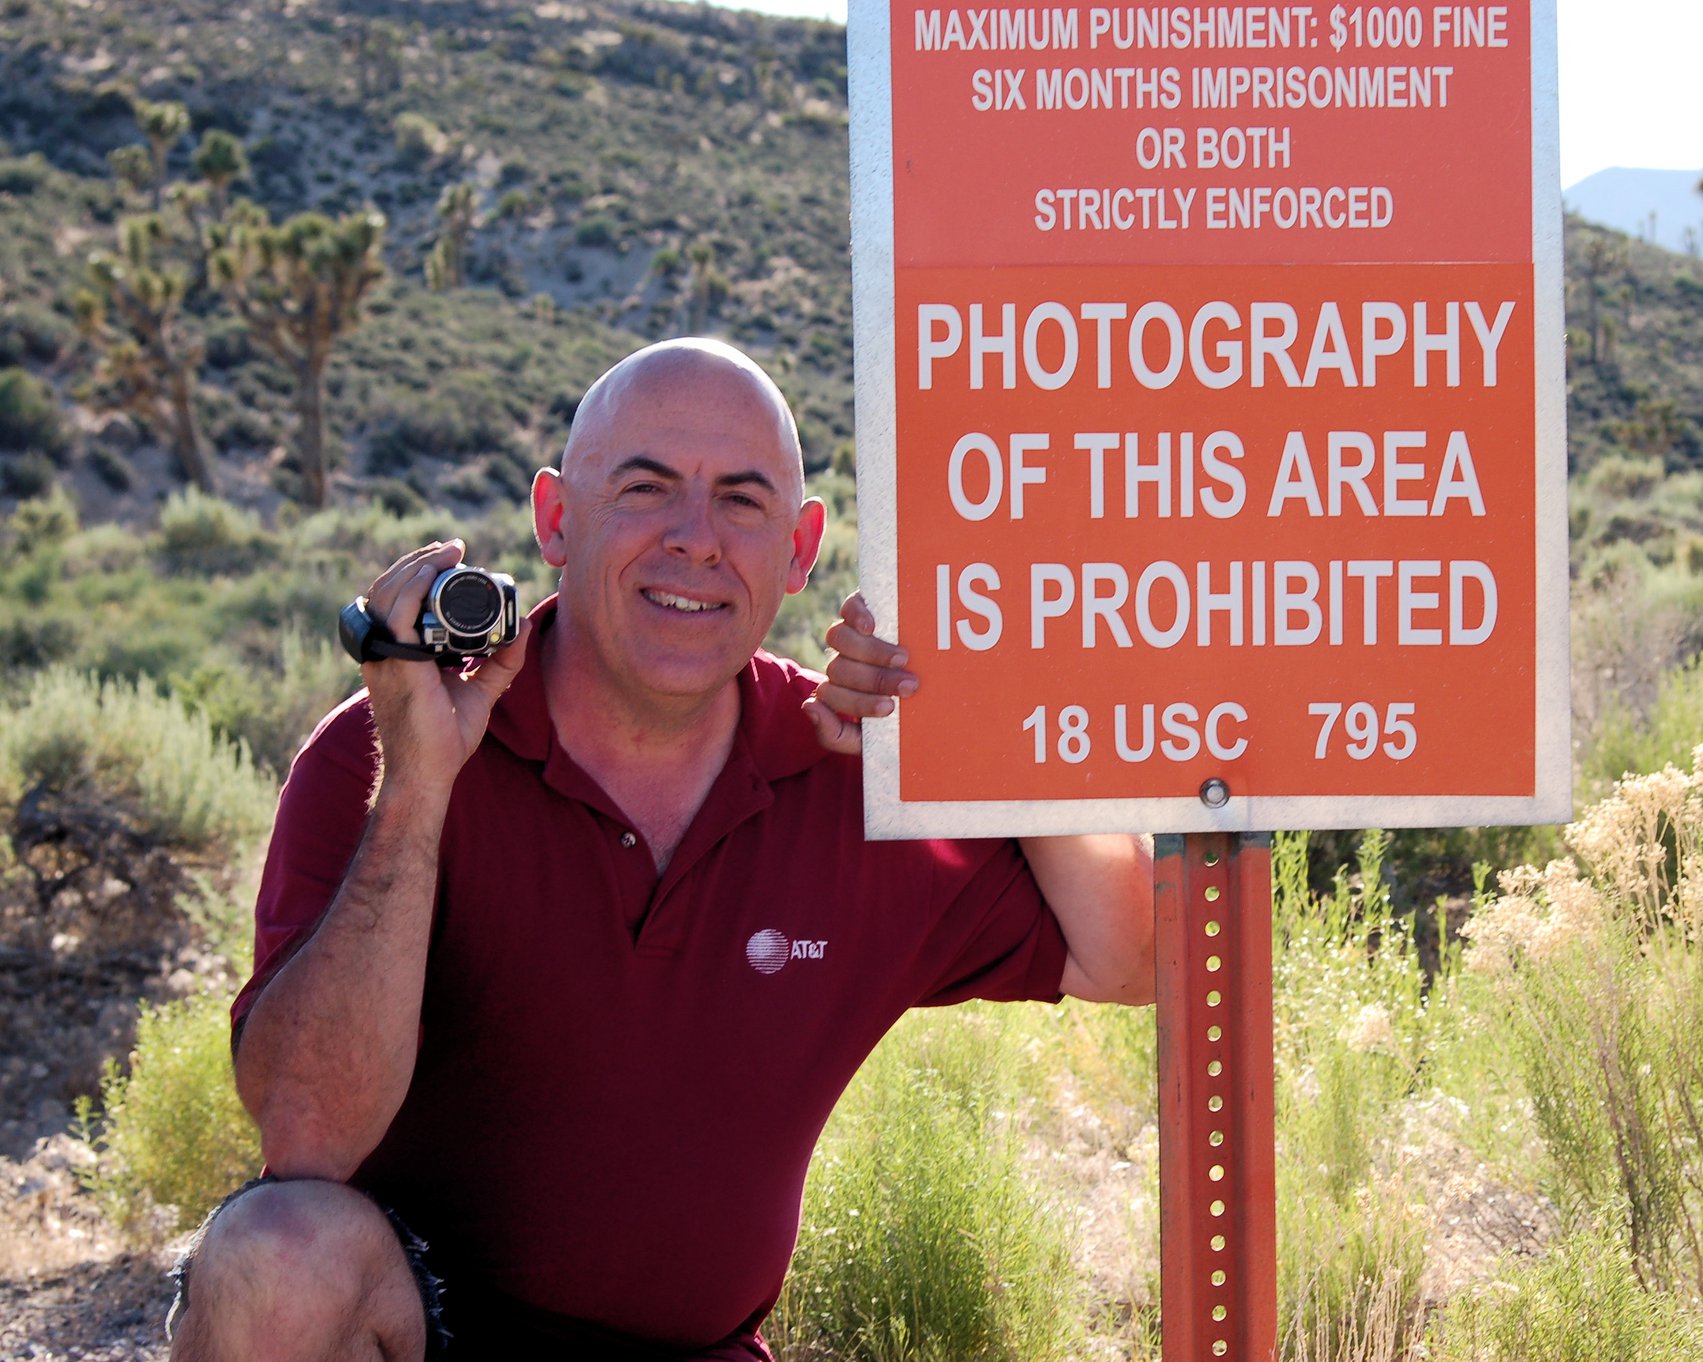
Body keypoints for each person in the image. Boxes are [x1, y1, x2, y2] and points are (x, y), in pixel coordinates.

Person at [165, 338, 1154, 1361]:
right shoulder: (388, 752)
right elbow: (306, 1135)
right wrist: (419, 787)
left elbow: (1144, 958)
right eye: (645, 489)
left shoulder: (850, 779)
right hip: (417, 1335)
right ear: (556, 518)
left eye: (741, 500)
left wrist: (986, 718)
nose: (696, 539)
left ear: (801, 548)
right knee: (274, 1259)